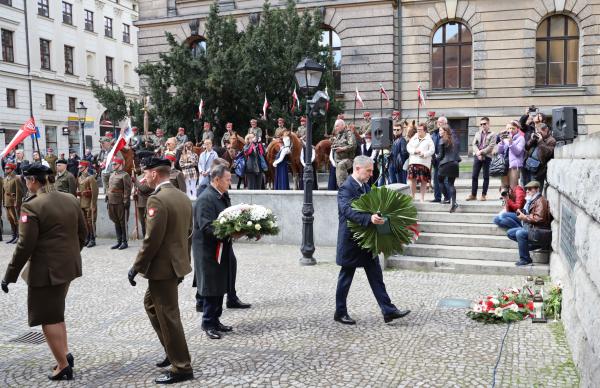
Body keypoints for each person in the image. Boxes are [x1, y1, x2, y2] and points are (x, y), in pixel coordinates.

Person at [1, 164, 86, 381]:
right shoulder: (70, 199)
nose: (26, 184)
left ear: (32, 181)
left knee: (47, 318)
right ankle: (65, 354)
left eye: (26, 180)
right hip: (68, 267)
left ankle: (63, 365)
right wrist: (69, 256)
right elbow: (83, 234)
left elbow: (24, 246)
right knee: (56, 313)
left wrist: (10, 275)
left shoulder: (32, 206)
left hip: (46, 271)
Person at [127, 157, 194, 384]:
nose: (144, 177)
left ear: (155, 174)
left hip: (163, 269)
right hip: (175, 265)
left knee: (168, 315)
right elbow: (189, 234)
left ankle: (182, 367)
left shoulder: (158, 200)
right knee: (152, 305)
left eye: (146, 173)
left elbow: (151, 240)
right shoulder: (182, 197)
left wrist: (136, 267)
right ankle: (171, 348)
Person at [334, 155, 410, 325]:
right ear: (357, 168)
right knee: (345, 278)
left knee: (376, 276)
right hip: (351, 242)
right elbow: (348, 211)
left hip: (367, 242)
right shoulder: (346, 188)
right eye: (368, 171)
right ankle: (340, 313)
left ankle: (388, 311)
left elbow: (375, 208)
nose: (370, 174)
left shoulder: (366, 186)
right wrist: (369, 219)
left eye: (371, 171)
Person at [193, 164, 238, 339]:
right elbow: (206, 226)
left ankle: (216, 320)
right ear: (217, 180)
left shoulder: (221, 195)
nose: (230, 182)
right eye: (227, 179)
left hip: (220, 246)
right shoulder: (206, 199)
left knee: (220, 283)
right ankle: (207, 322)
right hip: (208, 249)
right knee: (211, 286)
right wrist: (231, 232)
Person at [507, 181, 551, 266]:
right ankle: (530, 246)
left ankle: (525, 259)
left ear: (537, 189)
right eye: (527, 189)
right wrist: (521, 213)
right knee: (510, 233)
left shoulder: (540, 201)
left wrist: (525, 217)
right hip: (533, 229)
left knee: (520, 233)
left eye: (530, 189)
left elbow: (539, 218)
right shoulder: (533, 200)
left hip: (539, 232)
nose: (527, 191)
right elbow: (531, 215)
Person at [467, 117, 495, 201]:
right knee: (474, 176)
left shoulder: (493, 134)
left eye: (484, 124)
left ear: (488, 124)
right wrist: (477, 153)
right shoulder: (477, 133)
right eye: (481, 124)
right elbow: (474, 144)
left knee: (486, 176)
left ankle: (483, 195)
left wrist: (481, 152)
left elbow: (491, 146)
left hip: (487, 157)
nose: (482, 125)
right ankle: (473, 194)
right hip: (477, 156)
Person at [107, 157, 132, 250]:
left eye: (115, 164)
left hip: (120, 201)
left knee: (122, 222)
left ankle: (124, 242)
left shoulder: (125, 175)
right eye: (113, 164)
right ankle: (119, 241)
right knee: (116, 221)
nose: (113, 166)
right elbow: (109, 187)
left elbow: (127, 190)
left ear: (121, 165)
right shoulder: (112, 174)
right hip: (111, 200)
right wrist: (107, 196)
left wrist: (126, 201)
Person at [406, 123, 435, 202]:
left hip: (424, 163)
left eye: (420, 130)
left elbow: (432, 150)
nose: (418, 131)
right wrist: (414, 151)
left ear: (425, 130)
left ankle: (422, 198)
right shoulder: (414, 138)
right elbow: (408, 147)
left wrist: (424, 154)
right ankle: (412, 196)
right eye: (418, 130)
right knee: (412, 179)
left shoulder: (429, 139)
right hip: (413, 161)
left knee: (424, 181)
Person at [524, 123, 556, 189]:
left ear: (546, 130)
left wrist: (541, 141)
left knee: (535, 188)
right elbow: (526, 147)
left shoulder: (551, 140)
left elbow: (547, 153)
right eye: (537, 132)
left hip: (539, 170)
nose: (539, 134)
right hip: (529, 166)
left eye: (540, 132)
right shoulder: (536, 138)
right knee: (528, 187)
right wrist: (532, 139)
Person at [437, 124, 461, 212]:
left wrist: (435, 157)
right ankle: (454, 203)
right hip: (455, 163)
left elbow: (440, 156)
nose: (439, 132)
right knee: (451, 184)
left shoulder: (442, 140)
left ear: (445, 131)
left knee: (440, 180)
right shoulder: (455, 140)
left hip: (445, 163)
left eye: (440, 130)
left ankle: (447, 198)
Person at [519, 110, 546, 186]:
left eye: (539, 115)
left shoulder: (545, 129)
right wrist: (526, 114)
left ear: (543, 120)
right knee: (524, 181)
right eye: (536, 115)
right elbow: (521, 123)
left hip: (536, 159)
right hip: (526, 157)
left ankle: (533, 196)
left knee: (532, 182)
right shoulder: (529, 128)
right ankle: (524, 197)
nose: (536, 116)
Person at [76, 160, 99, 248]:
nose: (80, 169)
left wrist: (93, 204)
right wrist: (79, 193)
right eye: (79, 168)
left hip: (89, 203)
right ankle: (88, 237)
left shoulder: (91, 178)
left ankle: (92, 239)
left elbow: (95, 192)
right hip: (82, 203)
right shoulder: (79, 178)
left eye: (81, 168)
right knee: (85, 222)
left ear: (86, 168)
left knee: (91, 221)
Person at [497, 120, 525, 189]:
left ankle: (514, 199)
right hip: (504, 164)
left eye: (513, 128)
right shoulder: (506, 138)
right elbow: (500, 152)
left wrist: (511, 142)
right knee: (504, 186)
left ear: (517, 129)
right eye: (509, 128)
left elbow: (518, 152)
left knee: (513, 187)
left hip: (514, 166)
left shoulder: (521, 138)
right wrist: (501, 142)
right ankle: (506, 199)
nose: (511, 130)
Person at [331, 119, 357, 188]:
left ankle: (344, 187)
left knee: (341, 165)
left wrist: (342, 149)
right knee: (338, 172)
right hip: (338, 159)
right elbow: (334, 144)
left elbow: (353, 145)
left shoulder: (349, 134)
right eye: (335, 126)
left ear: (343, 125)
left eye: (337, 126)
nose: (335, 128)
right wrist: (334, 147)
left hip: (349, 159)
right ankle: (341, 188)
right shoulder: (338, 136)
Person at [3, 163, 22, 243]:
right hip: (7, 202)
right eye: (5, 168)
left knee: (16, 220)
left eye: (8, 168)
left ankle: (18, 236)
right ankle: (13, 236)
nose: (6, 170)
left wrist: (17, 203)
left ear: (12, 169)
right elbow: (3, 192)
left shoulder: (16, 178)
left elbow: (19, 192)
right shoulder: (5, 178)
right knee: (10, 220)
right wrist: (3, 202)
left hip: (13, 202)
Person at [429, 116, 446, 203]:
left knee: (445, 180)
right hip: (435, 160)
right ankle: (437, 197)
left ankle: (447, 197)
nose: (439, 123)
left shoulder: (448, 133)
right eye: (438, 122)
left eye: (442, 122)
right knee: (436, 180)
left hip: (445, 161)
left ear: (445, 123)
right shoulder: (434, 134)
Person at [132, 172, 153, 237]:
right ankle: (145, 238)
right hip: (140, 203)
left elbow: (144, 188)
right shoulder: (140, 176)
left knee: (149, 223)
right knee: (142, 223)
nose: (142, 168)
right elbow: (138, 188)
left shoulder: (151, 176)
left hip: (147, 202)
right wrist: (135, 193)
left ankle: (150, 239)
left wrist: (135, 181)